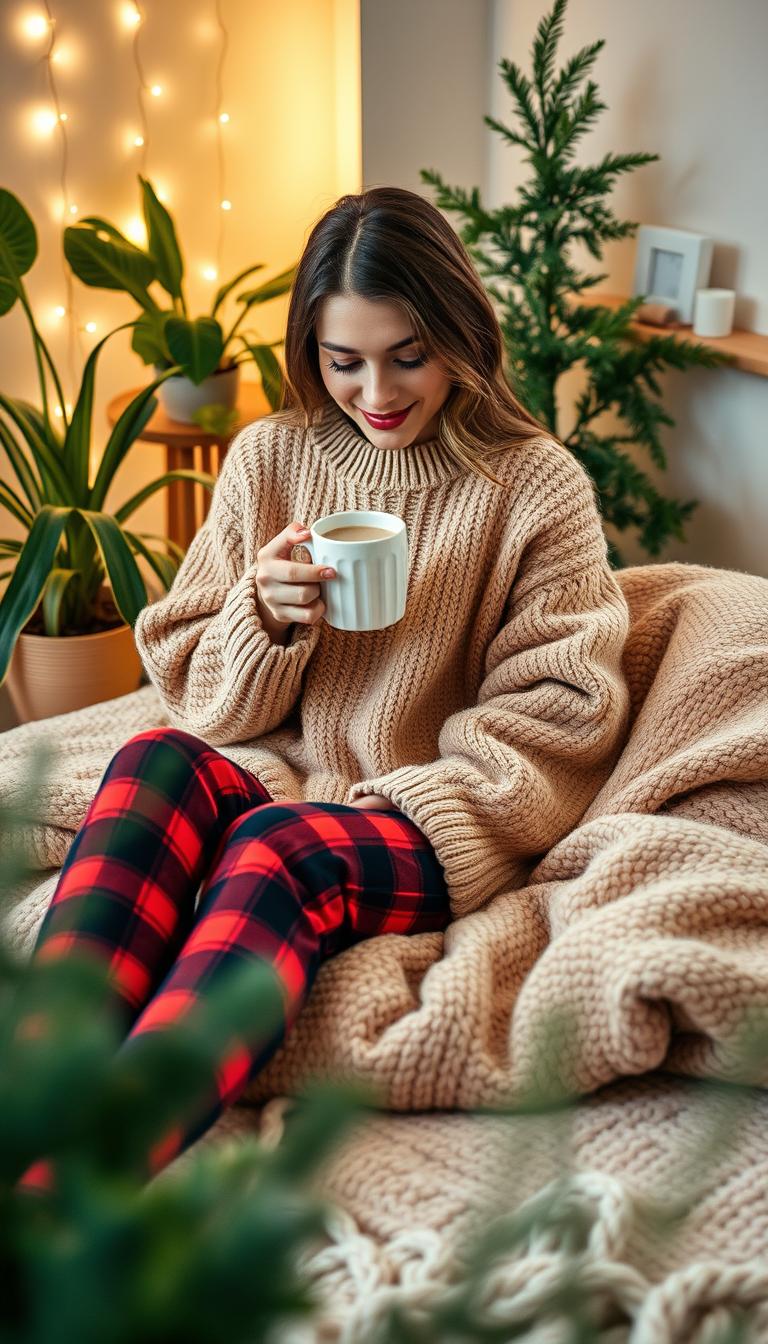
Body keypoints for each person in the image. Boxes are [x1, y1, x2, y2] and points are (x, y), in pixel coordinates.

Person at [15, 186, 631, 1201]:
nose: (375, 391)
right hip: (284, 772)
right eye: (345, 362)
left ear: (460, 338)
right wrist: (262, 618)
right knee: (152, 760)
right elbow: (196, 697)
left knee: (280, 849)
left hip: (429, 814)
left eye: (408, 356)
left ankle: (75, 1191)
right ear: (313, 349)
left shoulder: (536, 484)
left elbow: (562, 717)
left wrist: (396, 803)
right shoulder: (272, 455)